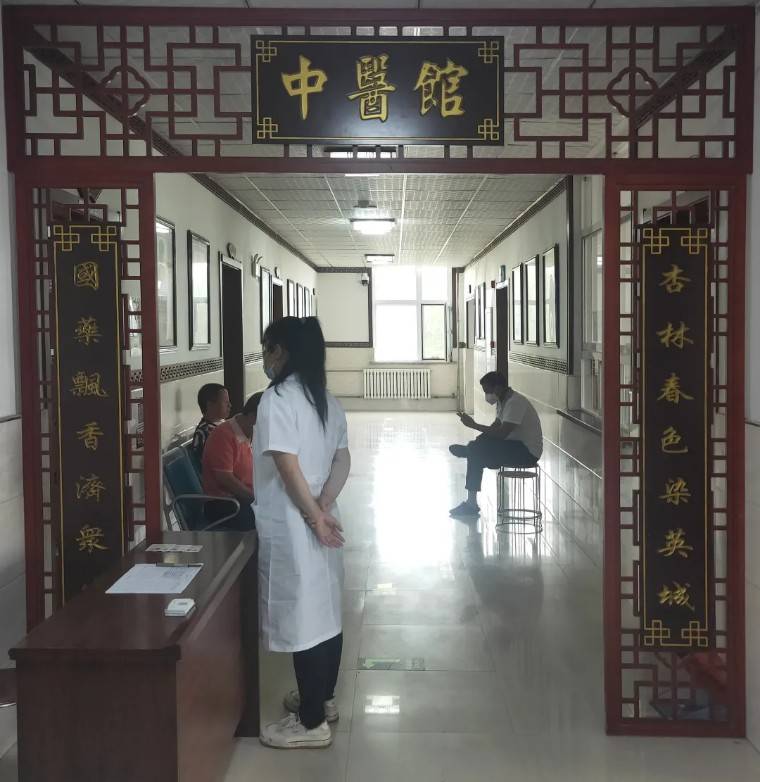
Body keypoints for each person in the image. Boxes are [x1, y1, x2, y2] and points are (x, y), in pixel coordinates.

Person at [254, 316, 351, 750]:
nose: (265, 357)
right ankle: (322, 700)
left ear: (282, 351)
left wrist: (312, 516)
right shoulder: (325, 399)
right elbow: (343, 460)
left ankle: (311, 724)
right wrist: (325, 505)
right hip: (322, 517)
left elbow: (286, 464)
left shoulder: (277, 398)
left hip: (297, 521)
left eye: (267, 348)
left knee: (303, 619)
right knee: (325, 612)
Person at [449, 371, 543, 518]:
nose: (487, 395)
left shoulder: (515, 403)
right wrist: (478, 441)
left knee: (476, 451)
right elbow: (494, 428)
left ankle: (471, 504)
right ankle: (470, 452)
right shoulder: (503, 401)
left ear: (498, 387)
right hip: (514, 446)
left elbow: (501, 434)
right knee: (477, 449)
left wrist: (474, 425)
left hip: (527, 453)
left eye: (488, 391)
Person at [201, 392, 262, 531]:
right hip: (225, 503)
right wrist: (255, 498)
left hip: (243, 498)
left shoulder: (249, 433)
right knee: (271, 517)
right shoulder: (223, 435)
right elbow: (226, 479)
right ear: (253, 417)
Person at [191, 383, 231, 463]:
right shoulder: (204, 432)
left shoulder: (223, 424)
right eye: (225, 402)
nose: (230, 405)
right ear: (210, 405)